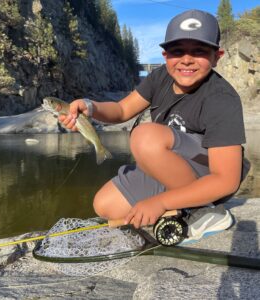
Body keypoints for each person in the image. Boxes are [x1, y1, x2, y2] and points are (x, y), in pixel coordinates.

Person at [59, 9, 250, 244]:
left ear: (216, 56)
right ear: (165, 55)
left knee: (145, 136)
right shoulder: (160, 77)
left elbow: (226, 180)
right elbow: (121, 111)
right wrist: (90, 107)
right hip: (173, 167)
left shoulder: (222, 98)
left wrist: (162, 203)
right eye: (177, 51)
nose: (186, 59)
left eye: (199, 51)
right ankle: (182, 201)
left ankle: (201, 211)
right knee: (105, 205)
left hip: (210, 174)